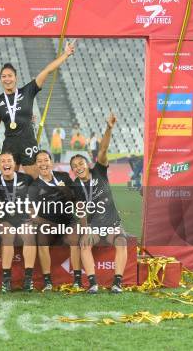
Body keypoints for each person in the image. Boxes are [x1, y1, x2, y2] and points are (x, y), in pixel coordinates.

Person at [0, 41, 75, 178]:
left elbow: (47, 70)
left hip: (28, 142)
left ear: (15, 78)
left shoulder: (27, 91)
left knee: (36, 181)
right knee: (7, 183)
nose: (7, 79)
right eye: (4, 76)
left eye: (10, 76)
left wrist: (65, 54)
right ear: (0, 79)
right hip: (9, 144)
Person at [70, 113, 127, 294]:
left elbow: (102, 150)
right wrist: (86, 229)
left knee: (121, 241)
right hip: (94, 227)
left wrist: (108, 129)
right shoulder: (76, 186)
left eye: (81, 163)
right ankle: (93, 283)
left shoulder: (99, 172)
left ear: (87, 164)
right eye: (74, 166)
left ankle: (117, 283)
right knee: (84, 244)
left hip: (112, 224)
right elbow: (80, 211)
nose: (78, 167)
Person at [31, 150, 81, 291]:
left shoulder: (63, 177)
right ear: (36, 165)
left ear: (51, 162)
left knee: (74, 240)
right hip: (48, 224)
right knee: (41, 242)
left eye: (46, 160)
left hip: (68, 221)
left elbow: (75, 198)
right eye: (39, 161)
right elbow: (32, 213)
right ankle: (47, 281)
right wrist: (44, 224)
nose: (43, 163)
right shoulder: (34, 186)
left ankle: (77, 279)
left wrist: (64, 189)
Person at [0, 152, 36, 292]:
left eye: (9, 160)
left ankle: (28, 279)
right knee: (7, 236)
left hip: (24, 217)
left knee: (29, 236)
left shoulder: (27, 179)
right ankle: (6, 279)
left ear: (15, 164)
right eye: (3, 161)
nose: (6, 163)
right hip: (5, 219)